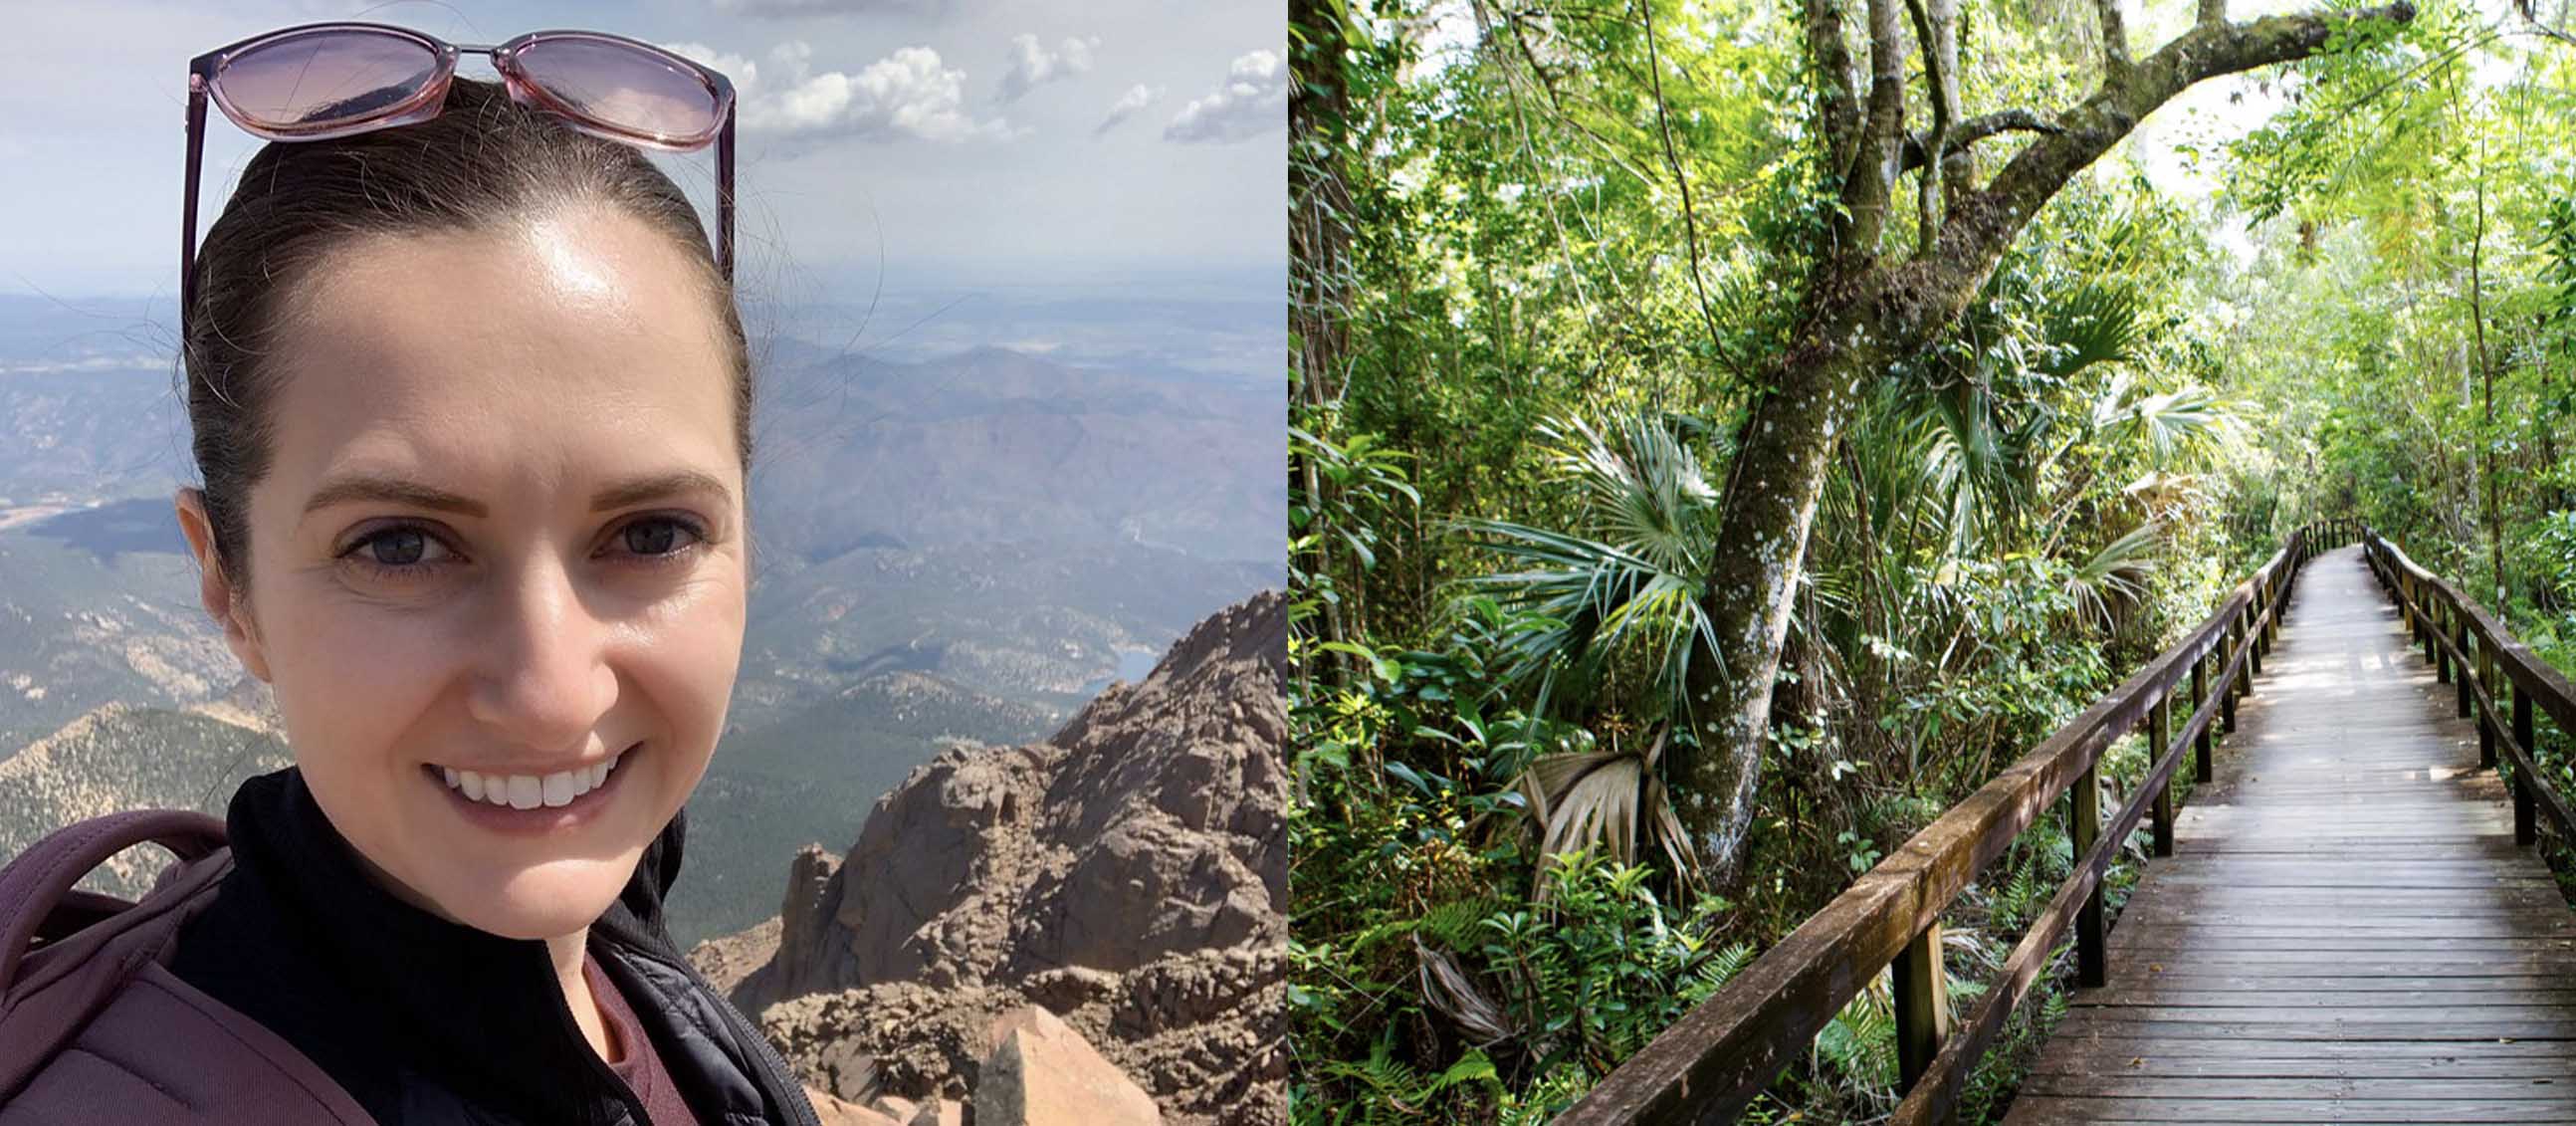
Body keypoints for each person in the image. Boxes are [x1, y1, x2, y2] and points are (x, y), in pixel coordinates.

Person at [3, 22, 815, 1126]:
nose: (551, 693)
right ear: (228, 585)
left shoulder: (611, 951)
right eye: (399, 545)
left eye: (651, 533)